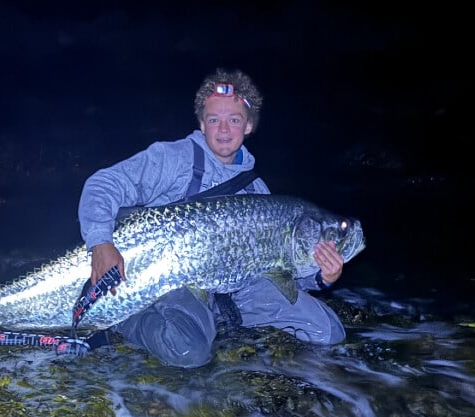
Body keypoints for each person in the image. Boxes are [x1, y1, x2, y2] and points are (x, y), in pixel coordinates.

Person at [77, 68, 346, 368]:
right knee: (188, 351)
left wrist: (322, 276)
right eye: (214, 120)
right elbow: (102, 185)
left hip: (238, 292)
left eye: (234, 120)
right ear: (202, 124)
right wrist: (100, 242)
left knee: (328, 331)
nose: (223, 129)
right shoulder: (174, 159)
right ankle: (123, 318)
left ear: (248, 126)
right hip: (174, 280)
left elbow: (283, 270)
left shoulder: (258, 191)